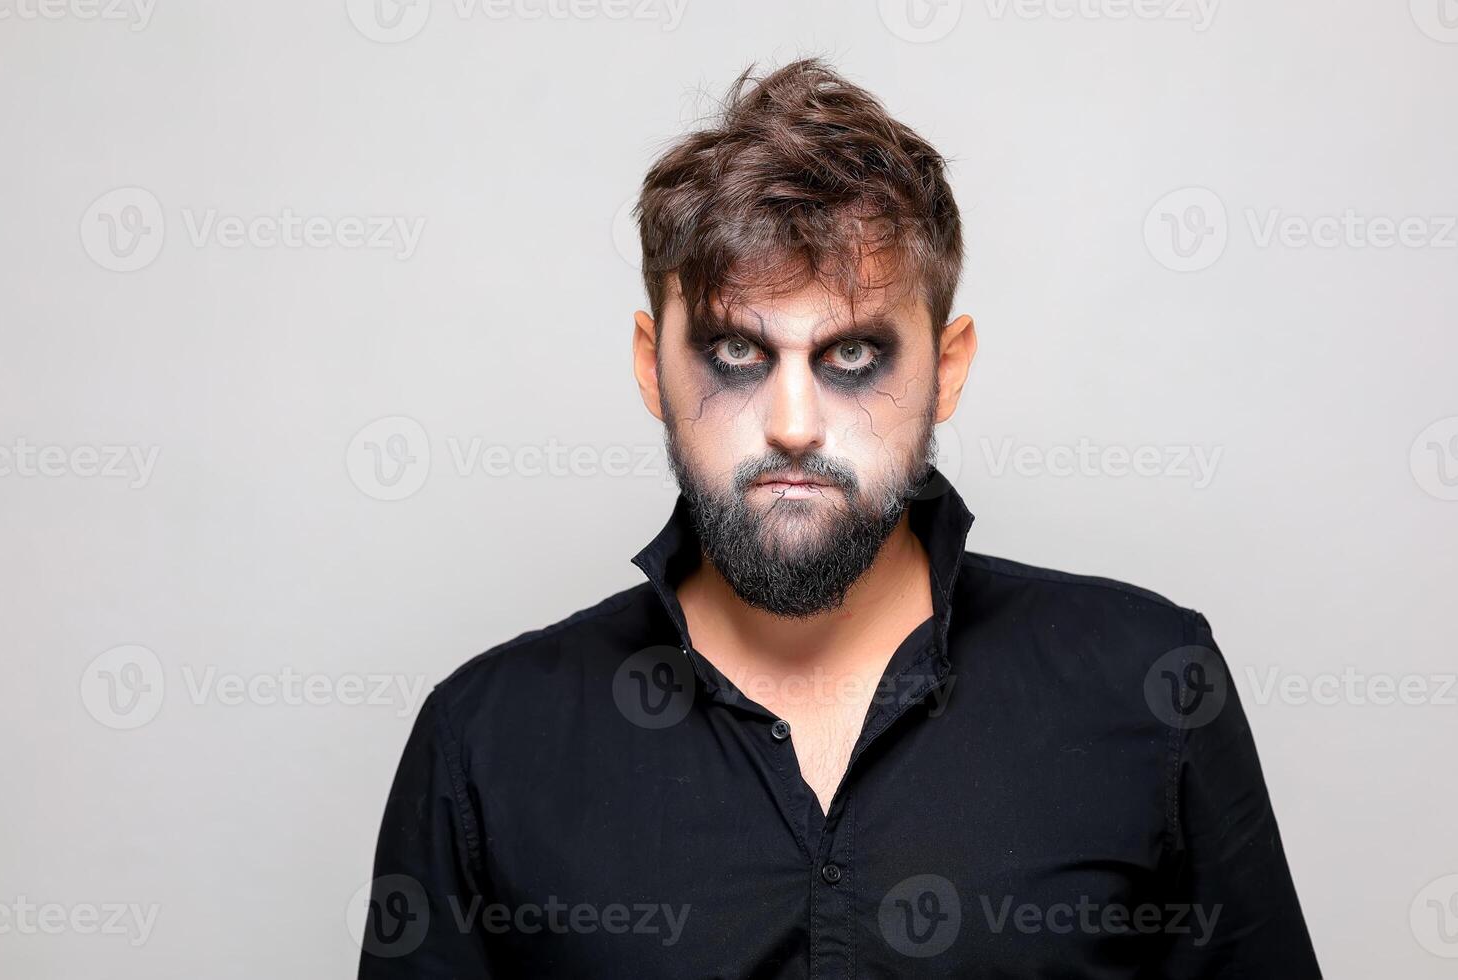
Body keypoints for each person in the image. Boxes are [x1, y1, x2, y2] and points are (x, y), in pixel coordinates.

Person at [357, 57, 1321, 978]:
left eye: (853, 358)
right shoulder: (485, 743)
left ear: (947, 369)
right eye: (736, 354)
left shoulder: (1151, 686)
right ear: (653, 366)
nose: (791, 426)